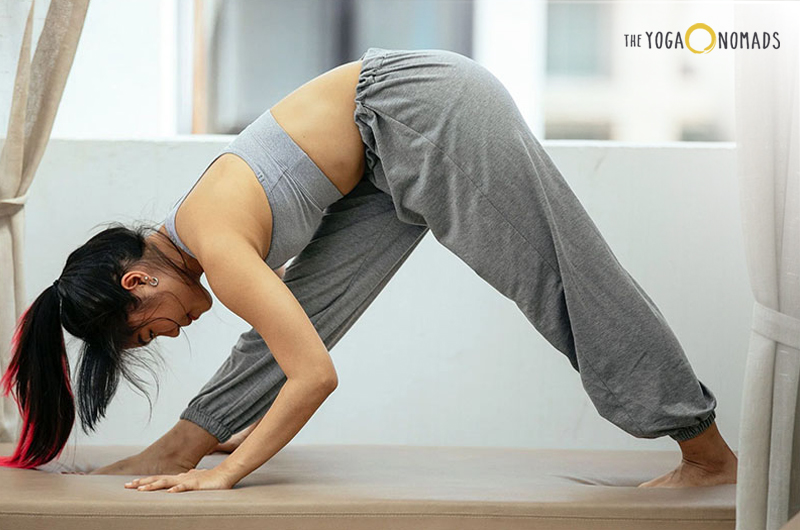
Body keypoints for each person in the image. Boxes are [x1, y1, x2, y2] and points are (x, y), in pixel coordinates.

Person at [0, 48, 738, 491]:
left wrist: (231, 474)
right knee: (291, 320)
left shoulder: (216, 245)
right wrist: (218, 447)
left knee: (558, 275)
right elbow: (294, 345)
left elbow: (315, 377)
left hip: (419, 108)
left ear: (139, 282)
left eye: (145, 334)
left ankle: (705, 451)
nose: (166, 334)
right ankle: (188, 439)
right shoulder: (197, 233)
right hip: (379, 155)